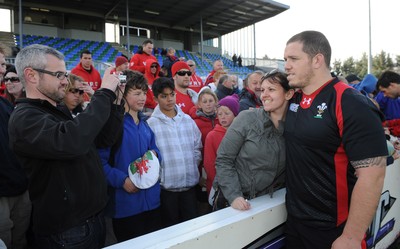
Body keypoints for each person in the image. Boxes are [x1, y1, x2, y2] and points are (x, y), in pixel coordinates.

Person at [8, 44, 124, 249]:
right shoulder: (25, 118)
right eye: (59, 74)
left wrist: (116, 104)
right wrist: (104, 93)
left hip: (91, 220)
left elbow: (102, 140)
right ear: (32, 75)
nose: (65, 81)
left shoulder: (57, 110)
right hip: (68, 231)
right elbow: (72, 143)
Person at [283, 30, 387, 249]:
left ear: (317, 60)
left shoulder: (350, 102)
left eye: (293, 59)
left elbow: (373, 175)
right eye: (285, 60)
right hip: (294, 223)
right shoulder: (294, 98)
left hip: (332, 229)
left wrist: (351, 237)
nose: (287, 66)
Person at [214, 71, 294, 211]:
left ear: (288, 94)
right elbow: (224, 159)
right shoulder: (246, 118)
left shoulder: (295, 127)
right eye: (262, 90)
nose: (264, 95)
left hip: (270, 205)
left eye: (271, 89)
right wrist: (234, 196)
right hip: (236, 203)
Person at [98, 70, 162, 242]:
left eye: (144, 92)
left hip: (152, 202)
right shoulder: (112, 126)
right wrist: (122, 180)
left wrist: (156, 156)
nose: (142, 97)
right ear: (123, 94)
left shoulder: (145, 125)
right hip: (126, 206)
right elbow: (99, 163)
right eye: (136, 93)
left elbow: (156, 152)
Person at [147, 77, 202, 228]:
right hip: (167, 190)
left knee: (192, 229)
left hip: (189, 188)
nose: (169, 99)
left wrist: (191, 164)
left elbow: (197, 147)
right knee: (170, 229)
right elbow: (150, 157)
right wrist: (161, 175)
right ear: (156, 98)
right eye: (164, 96)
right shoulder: (151, 124)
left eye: (172, 94)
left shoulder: (187, 120)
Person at [0, 44, 31, 249]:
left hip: (20, 188)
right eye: (0, 65)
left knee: (19, 241)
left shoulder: (6, 105)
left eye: (3, 64)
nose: (3, 70)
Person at [203, 94, 239, 195]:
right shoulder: (212, 136)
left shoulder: (240, 133)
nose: (223, 117)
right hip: (219, 187)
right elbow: (209, 165)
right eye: (220, 114)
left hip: (238, 185)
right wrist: (221, 185)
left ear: (235, 114)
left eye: (227, 113)